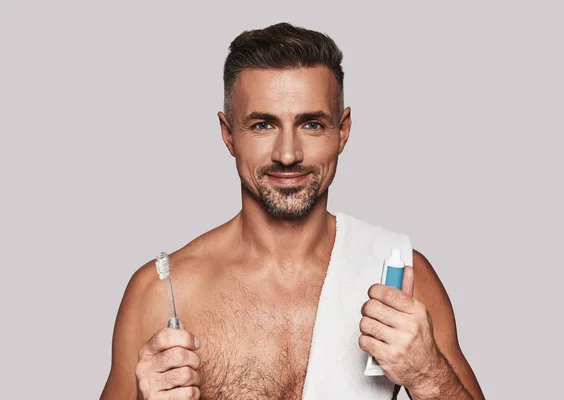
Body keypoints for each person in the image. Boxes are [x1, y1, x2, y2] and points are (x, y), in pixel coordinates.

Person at [100, 22, 485, 400]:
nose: (288, 154)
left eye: (312, 124)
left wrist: (427, 374)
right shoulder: (161, 292)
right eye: (263, 124)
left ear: (343, 131)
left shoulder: (401, 277)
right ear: (229, 133)